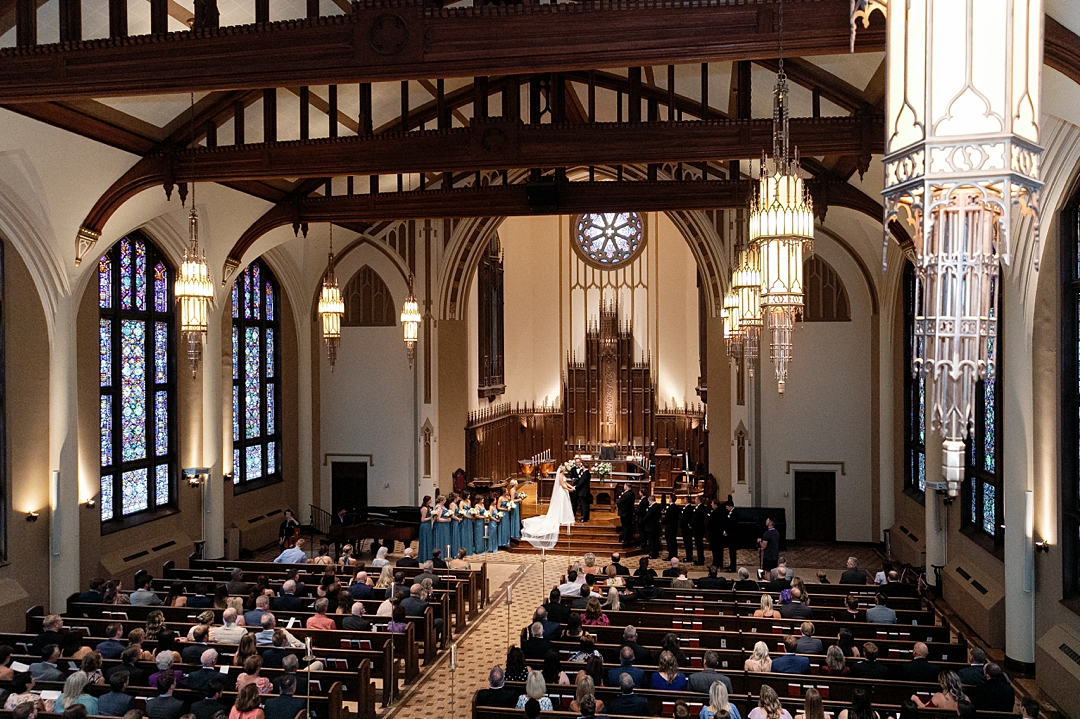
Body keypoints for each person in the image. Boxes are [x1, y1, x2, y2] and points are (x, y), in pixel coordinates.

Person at [522, 467, 576, 547]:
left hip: (565, 491)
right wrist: (569, 489)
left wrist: (571, 487)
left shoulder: (563, 475)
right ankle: (560, 517)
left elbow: (566, 483)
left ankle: (564, 516)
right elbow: (562, 485)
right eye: (564, 469)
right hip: (561, 491)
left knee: (565, 504)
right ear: (562, 470)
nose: (565, 470)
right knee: (561, 504)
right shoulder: (560, 476)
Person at [717, 499, 739, 572]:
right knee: (731, 551)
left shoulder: (735, 513)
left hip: (733, 535)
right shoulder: (731, 512)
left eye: (727, 507)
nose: (726, 508)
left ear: (730, 506)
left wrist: (726, 531)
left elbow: (733, 524)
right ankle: (731, 565)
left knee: (733, 552)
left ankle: (733, 567)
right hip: (730, 535)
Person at [692, 492, 711, 565]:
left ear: (699, 500)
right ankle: (700, 559)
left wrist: (692, 524)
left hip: (699, 529)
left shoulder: (701, 508)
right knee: (698, 545)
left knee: (699, 545)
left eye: (696, 499)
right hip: (697, 529)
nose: (695, 501)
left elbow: (697, 518)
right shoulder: (699, 507)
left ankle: (701, 560)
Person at [680, 495, 697, 563]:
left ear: (687, 500)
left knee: (688, 543)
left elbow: (686, 518)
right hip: (685, 528)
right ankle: (688, 555)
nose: (684, 500)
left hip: (687, 529)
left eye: (684, 499)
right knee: (687, 543)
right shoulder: (686, 507)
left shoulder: (689, 508)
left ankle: (689, 556)